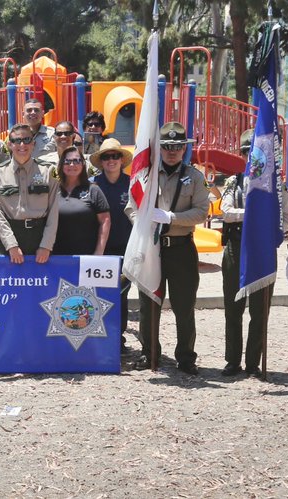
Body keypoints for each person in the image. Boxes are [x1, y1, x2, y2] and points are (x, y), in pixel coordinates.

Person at [124, 122, 210, 374]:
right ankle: (149, 353)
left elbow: (201, 212)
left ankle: (186, 357)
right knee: (149, 304)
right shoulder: (147, 174)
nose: (172, 151)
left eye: (177, 146)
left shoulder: (195, 177)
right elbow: (130, 206)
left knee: (184, 306)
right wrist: (142, 225)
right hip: (153, 248)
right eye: (167, 146)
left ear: (184, 149)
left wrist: (171, 218)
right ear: (159, 148)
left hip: (181, 248)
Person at [220, 129, 288, 377]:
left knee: (260, 311)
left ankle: (253, 362)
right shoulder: (234, 182)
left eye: (256, 154)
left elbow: (285, 220)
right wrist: (253, 214)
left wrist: (268, 224)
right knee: (233, 307)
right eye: (247, 153)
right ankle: (232, 360)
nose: (252, 158)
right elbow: (225, 212)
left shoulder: (276, 184)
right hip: (237, 247)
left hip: (262, 249)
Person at [0, 124, 61, 264]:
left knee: (42, 278)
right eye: (17, 140)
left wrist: (46, 245)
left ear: (33, 143)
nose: (22, 145)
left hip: (41, 236)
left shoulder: (48, 171)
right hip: (9, 237)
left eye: (26, 140)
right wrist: (11, 245)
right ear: (9, 144)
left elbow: (54, 211)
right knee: (9, 279)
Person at [90, 139, 134, 319]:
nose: (111, 160)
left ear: (122, 160)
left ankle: (119, 333)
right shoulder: (92, 185)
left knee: (121, 293)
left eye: (115, 156)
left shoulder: (132, 185)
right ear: (101, 161)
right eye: (106, 157)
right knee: (97, 293)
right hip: (98, 247)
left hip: (125, 247)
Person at [51, 147, 110, 256]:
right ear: (61, 165)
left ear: (83, 164)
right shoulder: (53, 189)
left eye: (76, 161)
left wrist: (99, 251)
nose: (72, 165)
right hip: (56, 256)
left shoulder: (93, 190)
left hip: (86, 257)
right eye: (67, 161)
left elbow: (105, 221)